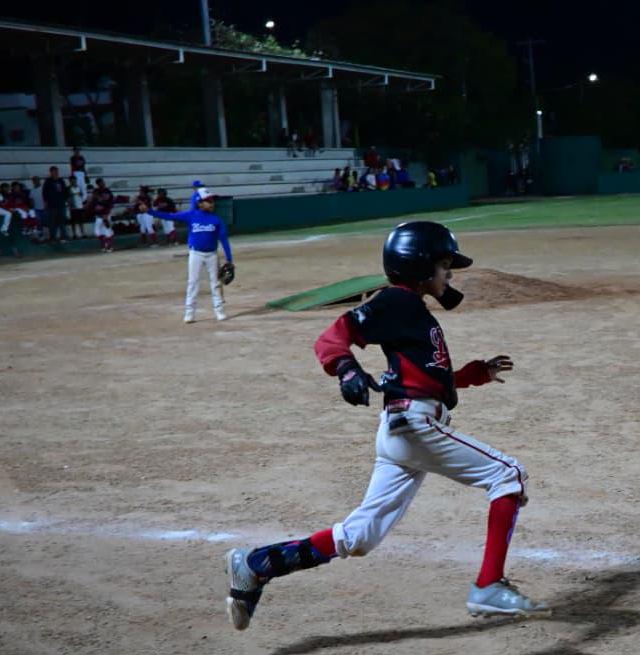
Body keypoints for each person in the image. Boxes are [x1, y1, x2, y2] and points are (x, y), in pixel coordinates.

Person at [223, 221, 545, 631]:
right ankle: (488, 585)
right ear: (420, 265)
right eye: (445, 265)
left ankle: (256, 564)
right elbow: (331, 338)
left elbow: (422, 374)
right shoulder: (396, 301)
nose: (450, 274)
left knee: (360, 535)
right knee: (508, 475)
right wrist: (346, 369)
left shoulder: (412, 308)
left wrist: (469, 375)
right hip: (413, 424)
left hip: (403, 429)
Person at [147, 187, 232, 323]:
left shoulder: (216, 220)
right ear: (199, 203)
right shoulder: (191, 215)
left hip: (212, 255)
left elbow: (224, 240)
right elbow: (169, 216)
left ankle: (219, 311)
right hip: (196, 254)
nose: (212, 203)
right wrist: (149, 211)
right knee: (193, 283)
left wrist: (229, 259)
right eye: (208, 200)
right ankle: (189, 313)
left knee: (215, 283)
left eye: (212, 201)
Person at [87, 178, 116, 252]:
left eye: (103, 182)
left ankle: (110, 246)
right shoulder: (96, 191)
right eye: (101, 183)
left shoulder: (107, 191)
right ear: (98, 184)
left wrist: (107, 212)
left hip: (105, 214)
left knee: (107, 230)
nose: (103, 184)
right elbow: (92, 203)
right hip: (98, 215)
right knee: (97, 232)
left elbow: (111, 202)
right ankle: (104, 245)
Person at [42, 166, 69, 242]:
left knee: (62, 221)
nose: (56, 173)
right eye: (54, 172)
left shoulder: (61, 181)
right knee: (52, 222)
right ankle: (52, 237)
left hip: (61, 204)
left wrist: (66, 200)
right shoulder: (48, 181)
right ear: (51, 172)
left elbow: (65, 191)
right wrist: (46, 203)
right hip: (51, 205)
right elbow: (45, 193)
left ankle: (63, 236)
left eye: (56, 171)